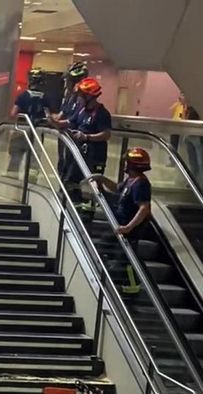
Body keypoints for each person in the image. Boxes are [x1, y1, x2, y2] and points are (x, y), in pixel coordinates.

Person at [89, 147, 153, 294]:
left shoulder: (141, 184)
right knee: (104, 247)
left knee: (125, 259)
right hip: (120, 225)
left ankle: (132, 287)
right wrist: (102, 180)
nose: (125, 165)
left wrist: (128, 227)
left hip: (128, 228)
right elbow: (117, 188)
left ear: (132, 165)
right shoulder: (130, 181)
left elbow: (144, 208)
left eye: (127, 162)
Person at [60, 77, 112, 204]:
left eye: (81, 95)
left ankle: (96, 207)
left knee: (94, 185)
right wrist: (53, 122)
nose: (78, 98)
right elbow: (69, 122)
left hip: (95, 156)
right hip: (80, 154)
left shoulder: (102, 113)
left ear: (89, 97)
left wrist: (87, 137)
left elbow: (106, 134)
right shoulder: (81, 110)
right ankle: (76, 206)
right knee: (71, 181)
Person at [7, 68, 51, 172]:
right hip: (37, 132)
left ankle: (12, 177)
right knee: (34, 161)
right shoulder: (45, 98)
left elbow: (13, 114)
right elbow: (48, 116)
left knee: (15, 158)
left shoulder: (22, 96)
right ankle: (31, 179)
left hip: (21, 129)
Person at [50, 62, 89, 178]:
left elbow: (74, 120)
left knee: (72, 169)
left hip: (76, 139)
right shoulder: (69, 96)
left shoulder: (83, 99)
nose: (66, 83)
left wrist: (59, 122)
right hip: (65, 137)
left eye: (68, 80)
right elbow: (62, 113)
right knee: (62, 164)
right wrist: (51, 118)